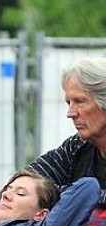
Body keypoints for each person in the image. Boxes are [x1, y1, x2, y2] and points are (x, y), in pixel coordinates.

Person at [29, 56, 106, 198]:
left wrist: (64, 197)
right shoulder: (76, 147)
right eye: (68, 103)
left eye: (80, 101)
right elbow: (29, 180)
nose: (70, 113)